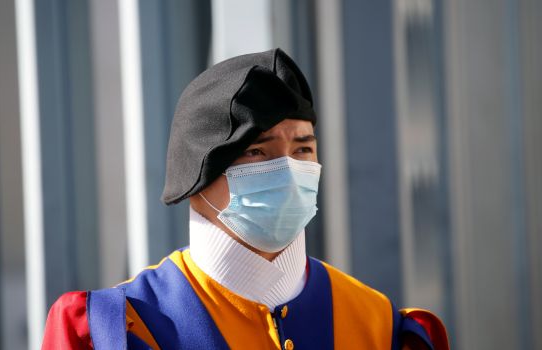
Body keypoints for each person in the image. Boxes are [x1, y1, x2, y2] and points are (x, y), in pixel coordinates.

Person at [42, 48, 449, 349]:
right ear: (196, 175)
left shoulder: (378, 324)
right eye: (257, 151)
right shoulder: (115, 329)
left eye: (304, 149)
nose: (290, 170)